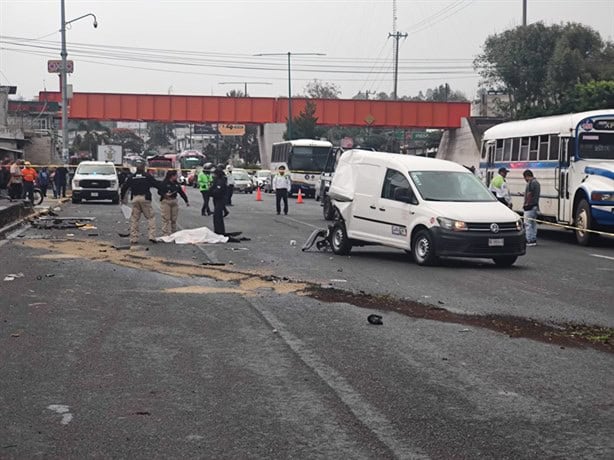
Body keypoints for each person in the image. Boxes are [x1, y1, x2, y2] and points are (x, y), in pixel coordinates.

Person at [120, 163, 161, 245]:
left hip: (135, 198)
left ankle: (134, 238)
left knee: (135, 219)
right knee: (150, 217)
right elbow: (156, 184)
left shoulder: (131, 177)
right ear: (144, 168)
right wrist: (162, 190)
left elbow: (124, 187)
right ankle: (151, 236)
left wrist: (122, 198)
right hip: (145, 198)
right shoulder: (147, 176)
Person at [158, 170, 189, 236]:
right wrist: (165, 195)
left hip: (174, 201)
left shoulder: (176, 184)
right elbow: (159, 191)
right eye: (176, 175)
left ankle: (174, 232)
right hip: (166, 201)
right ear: (172, 176)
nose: (177, 177)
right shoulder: (164, 183)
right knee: (166, 218)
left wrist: (186, 201)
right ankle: (165, 233)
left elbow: (181, 192)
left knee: (174, 218)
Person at [523, 169, 541, 247]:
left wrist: (526, 203)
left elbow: (530, 194)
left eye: (525, 178)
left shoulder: (530, 183)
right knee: (533, 223)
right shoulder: (537, 183)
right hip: (535, 206)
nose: (525, 180)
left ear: (527, 176)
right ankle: (533, 239)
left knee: (528, 224)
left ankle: (529, 240)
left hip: (529, 206)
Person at [210, 166, 228, 235]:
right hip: (216, 199)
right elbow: (212, 188)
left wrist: (211, 193)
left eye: (214, 174)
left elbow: (218, 191)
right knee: (217, 216)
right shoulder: (216, 180)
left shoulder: (221, 181)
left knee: (217, 215)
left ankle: (220, 231)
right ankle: (218, 230)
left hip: (220, 199)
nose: (213, 175)